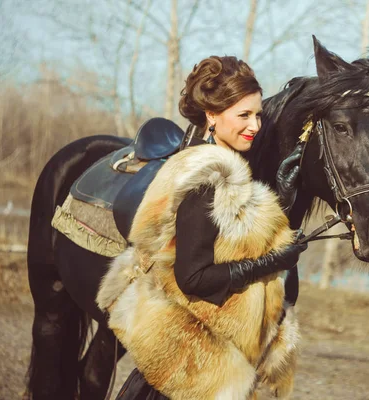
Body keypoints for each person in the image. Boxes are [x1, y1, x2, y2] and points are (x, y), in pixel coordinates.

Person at [115, 56, 306, 399]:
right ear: (212, 116)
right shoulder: (208, 180)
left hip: (206, 360)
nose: (255, 126)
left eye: (258, 114)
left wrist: (282, 208)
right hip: (192, 366)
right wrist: (272, 263)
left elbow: (233, 246)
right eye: (243, 115)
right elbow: (194, 278)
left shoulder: (227, 172)